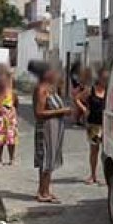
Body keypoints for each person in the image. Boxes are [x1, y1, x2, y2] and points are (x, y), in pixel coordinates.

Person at [32, 63, 70, 203]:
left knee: (51, 159)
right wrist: (61, 111)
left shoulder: (51, 89)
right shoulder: (41, 89)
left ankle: (46, 190)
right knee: (45, 159)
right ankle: (42, 192)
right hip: (46, 128)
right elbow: (39, 112)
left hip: (55, 129)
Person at [76, 67, 107, 185]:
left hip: (106, 125)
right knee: (94, 150)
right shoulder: (91, 90)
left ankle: (105, 175)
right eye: (103, 78)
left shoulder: (109, 91)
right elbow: (77, 98)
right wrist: (84, 109)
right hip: (93, 124)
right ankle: (93, 175)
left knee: (107, 151)